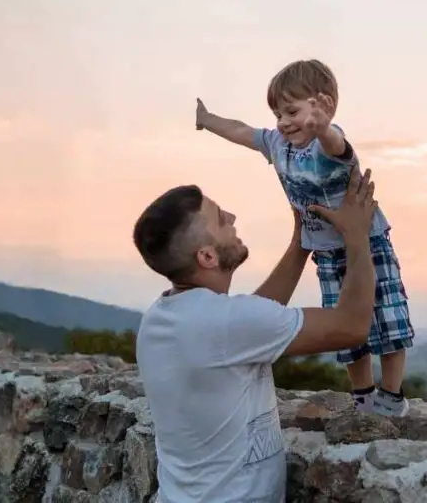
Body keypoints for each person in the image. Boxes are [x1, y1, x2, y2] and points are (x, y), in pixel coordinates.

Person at [132, 166, 379, 502]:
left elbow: (250, 323)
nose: (232, 217)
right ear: (206, 256)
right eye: (220, 219)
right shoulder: (227, 323)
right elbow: (351, 325)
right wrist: (357, 237)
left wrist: (301, 243)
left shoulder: (159, 319)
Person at [195, 59, 415, 417]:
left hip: (368, 242)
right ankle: (362, 393)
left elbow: (337, 145)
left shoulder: (327, 142)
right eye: (278, 113)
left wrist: (324, 127)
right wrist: (207, 120)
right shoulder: (278, 144)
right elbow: (241, 130)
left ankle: (391, 394)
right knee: (342, 320)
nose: (283, 121)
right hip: (326, 251)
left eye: (292, 111)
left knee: (387, 315)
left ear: (321, 104)